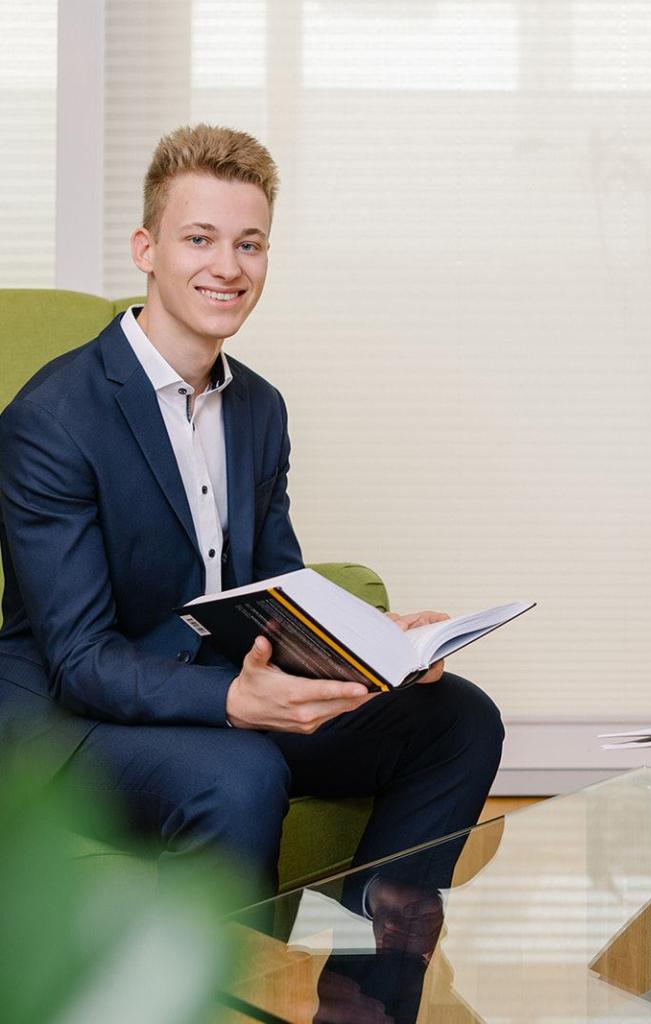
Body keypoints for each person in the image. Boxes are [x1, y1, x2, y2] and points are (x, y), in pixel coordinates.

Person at [0, 124, 504, 903]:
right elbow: (80, 660)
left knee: (459, 719)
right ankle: (226, 977)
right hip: (71, 721)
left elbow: (276, 590)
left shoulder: (259, 408)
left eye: (250, 244)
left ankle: (367, 972)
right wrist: (232, 701)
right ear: (146, 249)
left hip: (221, 686)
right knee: (242, 773)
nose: (228, 267)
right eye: (199, 238)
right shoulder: (53, 419)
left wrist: (378, 644)